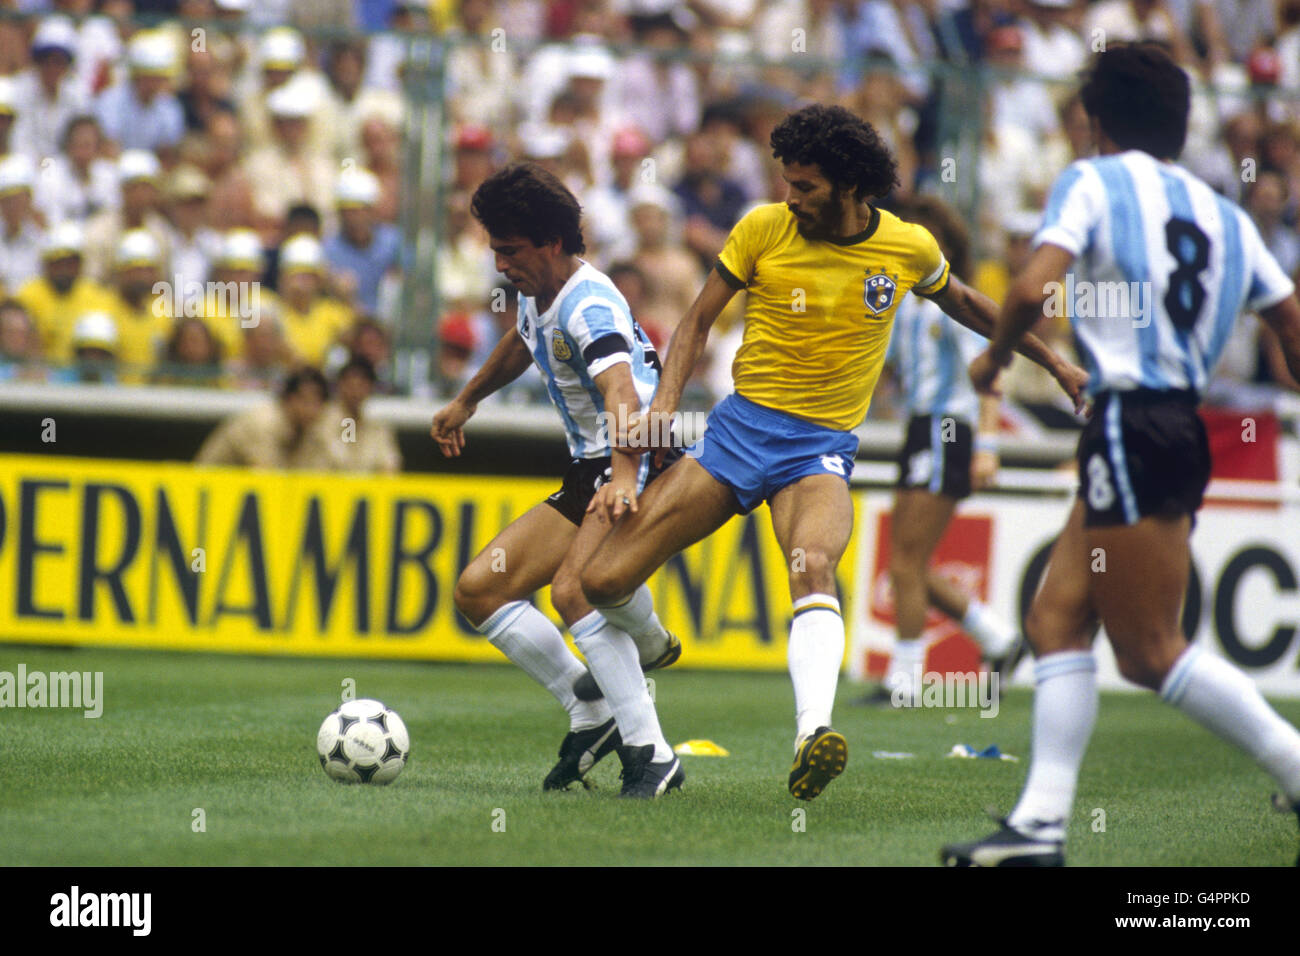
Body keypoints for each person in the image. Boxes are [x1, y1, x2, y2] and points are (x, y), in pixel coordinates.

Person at [579, 103, 1087, 802]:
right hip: (735, 437)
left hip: (816, 452)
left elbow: (971, 305)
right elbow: (696, 322)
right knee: (603, 583)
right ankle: (655, 640)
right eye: (787, 183)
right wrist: (665, 406)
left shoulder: (905, 247)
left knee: (812, 565)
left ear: (850, 186)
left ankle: (812, 734)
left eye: (806, 187)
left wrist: (1058, 369)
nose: (791, 197)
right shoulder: (762, 228)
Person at [942, 44, 1300, 867]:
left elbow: (1032, 287)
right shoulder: (1225, 215)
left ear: (1094, 121)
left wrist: (995, 361)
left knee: (1148, 653)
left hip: (1130, 420)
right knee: (1055, 620)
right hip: (1181, 423)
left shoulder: (1094, 180)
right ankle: (1039, 829)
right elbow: (1288, 324)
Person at [430, 162, 683, 797]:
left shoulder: (590, 304)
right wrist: (468, 400)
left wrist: (624, 475)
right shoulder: (540, 291)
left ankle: (654, 753)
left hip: (638, 453)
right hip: (592, 463)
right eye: (494, 250)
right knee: (478, 591)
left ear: (550, 243)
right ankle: (591, 711)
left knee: (576, 590)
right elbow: (524, 339)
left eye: (509, 251)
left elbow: (621, 391)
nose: (498, 265)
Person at [866, 195, 1022, 708]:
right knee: (909, 561)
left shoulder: (953, 303)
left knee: (906, 562)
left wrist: (987, 447)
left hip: (946, 431)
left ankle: (906, 682)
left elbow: (988, 375)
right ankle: (997, 639)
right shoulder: (906, 305)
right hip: (921, 429)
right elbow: (885, 369)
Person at [195, 366, 331, 468]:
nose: (312, 410)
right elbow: (268, 480)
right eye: (306, 401)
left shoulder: (309, 429)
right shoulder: (263, 423)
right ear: (288, 399)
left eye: (318, 403)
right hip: (206, 493)